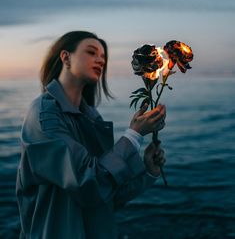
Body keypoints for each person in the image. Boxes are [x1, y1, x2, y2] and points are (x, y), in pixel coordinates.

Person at [16, 31, 166, 239]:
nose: (100, 60)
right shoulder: (43, 115)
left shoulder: (92, 118)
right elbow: (86, 183)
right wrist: (133, 136)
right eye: (91, 52)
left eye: (103, 57)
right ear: (65, 57)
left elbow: (106, 195)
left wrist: (148, 171)